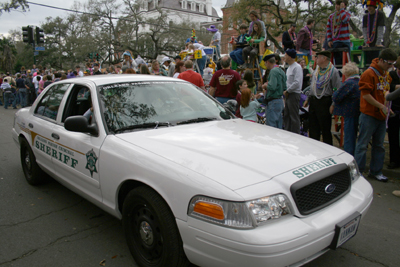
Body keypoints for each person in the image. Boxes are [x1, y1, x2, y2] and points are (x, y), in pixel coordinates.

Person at [354, 48, 397, 182]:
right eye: (389, 64)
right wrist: (381, 106)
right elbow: (366, 95)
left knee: (379, 145)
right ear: (381, 60)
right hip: (369, 115)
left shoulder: (386, 74)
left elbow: (385, 92)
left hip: (381, 116)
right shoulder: (369, 73)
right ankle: (358, 172)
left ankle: (376, 171)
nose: (391, 67)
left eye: (392, 64)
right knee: (362, 145)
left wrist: (387, 108)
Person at [303, 50, 341, 145]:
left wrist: (333, 104)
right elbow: (313, 85)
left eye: (318, 57)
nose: (316, 59)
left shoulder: (333, 71)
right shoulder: (317, 70)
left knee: (325, 128)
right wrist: (308, 98)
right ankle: (314, 148)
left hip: (325, 102)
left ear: (324, 58)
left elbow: (337, 89)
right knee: (313, 127)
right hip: (314, 101)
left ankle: (327, 149)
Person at [332, 62, 360, 156]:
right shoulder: (359, 81)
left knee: (349, 137)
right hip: (358, 111)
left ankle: (349, 156)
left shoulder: (349, 83)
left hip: (349, 111)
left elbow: (337, 96)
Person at [262, 54, 287, 129]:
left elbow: (272, 87)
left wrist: (265, 86)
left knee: (271, 127)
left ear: (267, 62)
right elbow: (285, 87)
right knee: (278, 126)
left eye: (265, 63)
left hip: (273, 101)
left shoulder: (273, 71)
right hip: (280, 101)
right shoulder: (281, 70)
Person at [283, 49, 303, 134]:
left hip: (294, 94)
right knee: (287, 115)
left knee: (294, 116)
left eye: (286, 55)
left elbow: (297, 82)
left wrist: (288, 90)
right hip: (288, 94)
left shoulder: (297, 67)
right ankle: (288, 132)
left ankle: (296, 133)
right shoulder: (289, 68)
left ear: (290, 57)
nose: (284, 57)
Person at [327, 0, 351, 66]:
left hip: (345, 41)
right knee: (338, 60)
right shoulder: (331, 16)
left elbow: (345, 19)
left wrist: (342, 10)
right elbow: (328, 29)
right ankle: (339, 73)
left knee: (347, 61)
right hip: (336, 41)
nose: (337, 6)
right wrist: (329, 40)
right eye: (336, 4)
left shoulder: (347, 14)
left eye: (339, 4)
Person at [387, 58, 400, 169]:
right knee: (393, 136)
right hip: (394, 109)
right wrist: (396, 87)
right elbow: (387, 87)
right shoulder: (391, 74)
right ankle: (394, 160)